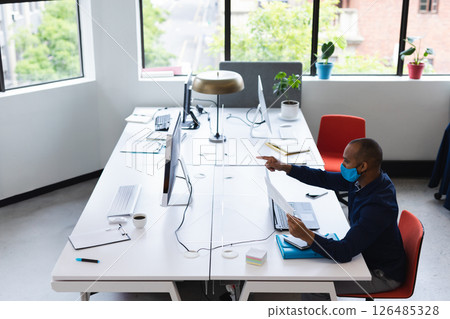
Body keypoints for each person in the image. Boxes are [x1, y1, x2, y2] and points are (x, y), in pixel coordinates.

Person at [258, 138, 406, 297]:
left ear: (363, 166)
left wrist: (306, 235)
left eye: (347, 161)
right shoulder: (364, 180)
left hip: (380, 273)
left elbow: (344, 252)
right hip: (363, 254)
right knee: (312, 267)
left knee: (314, 287)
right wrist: (284, 167)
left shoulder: (378, 206)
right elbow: (323, 178)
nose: (342, 165)